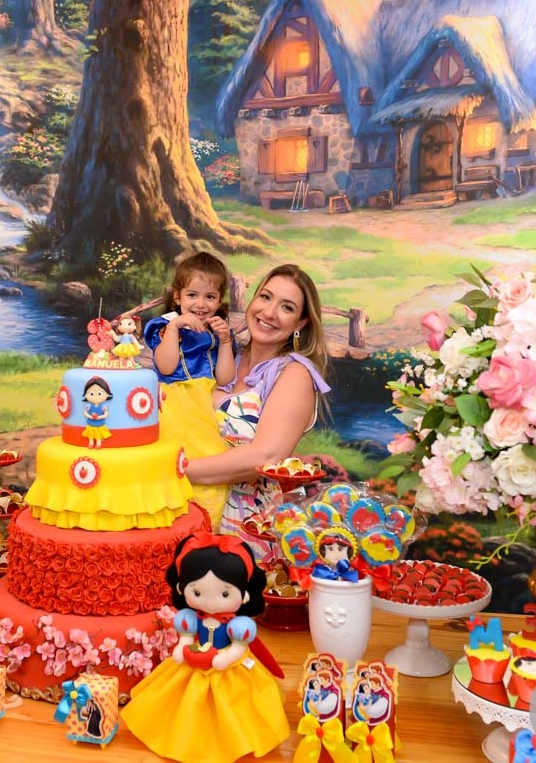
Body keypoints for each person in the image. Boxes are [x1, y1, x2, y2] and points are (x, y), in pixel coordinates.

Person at [184, 264, 331, 547]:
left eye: (287, 307)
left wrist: (174, 470)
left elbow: (265, 456)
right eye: (265, 297)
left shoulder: (294, 373)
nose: (270, 312)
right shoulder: (222, 356)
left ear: (300, 323)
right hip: (190, 517)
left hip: (244, 530)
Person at [121, 532, 289, 763]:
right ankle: (185, 737)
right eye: (197, 592)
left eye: (225, 593)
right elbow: (186, 638)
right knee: (182, 700)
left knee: (238, 703)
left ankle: (233, 740)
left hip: (228, 667)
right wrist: (183, 646)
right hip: (194, 661)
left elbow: (238, 648)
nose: (211, 602)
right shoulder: (189, 618)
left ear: (245, 594)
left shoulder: (239, 626)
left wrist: (227, 657)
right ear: (181, 588)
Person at [144, 252, 237, 522]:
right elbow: (166, 367)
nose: (201, 304)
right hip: (175, 399)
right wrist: (175, 328)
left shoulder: (217, 330)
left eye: (210, 297)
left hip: (204, 401)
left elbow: (224, 377)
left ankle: (205, 521)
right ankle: (171, 520)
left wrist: (225, 341)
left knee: (209, 457)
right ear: (178, 296)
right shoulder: (165, 326)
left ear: (219, 300)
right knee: (174, 457)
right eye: (192, 295)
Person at [80, 376, 113, 449]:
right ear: (86, 395)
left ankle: (98, 443)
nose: (95, 397)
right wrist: (89, 416)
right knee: (90, 434)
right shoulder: (88, 406)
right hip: (91, 423)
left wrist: (99, 417)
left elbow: (106, 414)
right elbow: (85, 413)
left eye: (99, 394)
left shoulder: (103, 407)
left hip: (99, 423)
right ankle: (91, 443)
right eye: (91, 394)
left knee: (98, 434)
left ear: (107, 394)